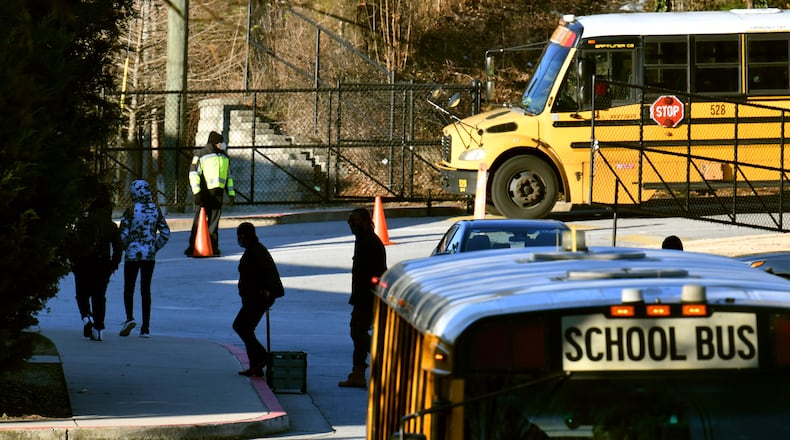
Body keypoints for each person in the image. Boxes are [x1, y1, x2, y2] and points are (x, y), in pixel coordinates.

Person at [339, 207, 387, 388]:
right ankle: (358, 372)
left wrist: (371, 291)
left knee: (357, 332)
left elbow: (377, 273)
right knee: (357, 331)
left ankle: (380, 358)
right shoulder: (362, 240)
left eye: (355, 221)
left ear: (366, 222)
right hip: (363, 295)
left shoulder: (370, 242)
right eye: (350, 222)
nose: (352, 225)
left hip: (368, 296)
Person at [66, 188, 122, 341]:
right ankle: (99, 327)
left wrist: (73, 261)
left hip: (83, 263)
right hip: (102, 263)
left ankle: (86, 317)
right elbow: (118, 249)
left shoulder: (83, 223)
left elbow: (72, 243)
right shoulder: (110, 226)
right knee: (99, 296)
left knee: (82, 294)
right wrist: (113, 265)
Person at [118, 180, 171, 338]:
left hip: (133, 254)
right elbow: (165, 233)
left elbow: (123, 233)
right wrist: (154, 247)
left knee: (129, 288)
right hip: (149, 255)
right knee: (145, 290)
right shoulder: (156, 210)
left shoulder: (131, 210)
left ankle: (129, 318)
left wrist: (127, 246)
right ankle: (145, 328)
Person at [233, 222, 284, 377]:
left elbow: (267, 273)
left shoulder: (256, 251)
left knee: (241, 326)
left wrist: (266, 291)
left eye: (243, 236)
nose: (241, 239)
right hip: (254, 297)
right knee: (246, 328)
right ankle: (256, 365)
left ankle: (261, 357)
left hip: (258, 298)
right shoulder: (253, 250)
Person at [185, 130, 235, 257]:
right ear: (215, 143)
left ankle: (213, 247)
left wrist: (231, 193)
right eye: (220, 142)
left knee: (214, 222)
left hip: (218, 194)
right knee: (199, 221)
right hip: (204, 193)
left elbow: (229, 177)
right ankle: (193, 247)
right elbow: (193, 174)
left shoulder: (224, 157)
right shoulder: (201, 154)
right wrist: (197, 193)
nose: (222, 144)